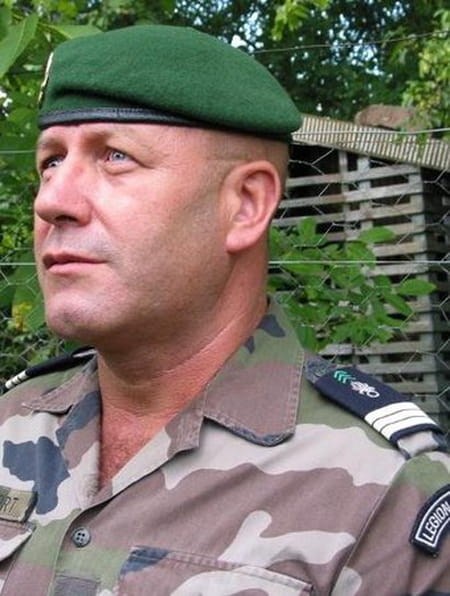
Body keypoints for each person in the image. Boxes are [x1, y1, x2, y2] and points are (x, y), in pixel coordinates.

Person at [0, 24, 449, 596]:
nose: (51, 200)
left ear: (245, 205)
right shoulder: (12, 421)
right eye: (51, 162)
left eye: (115, 156)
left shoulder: (386, 491)